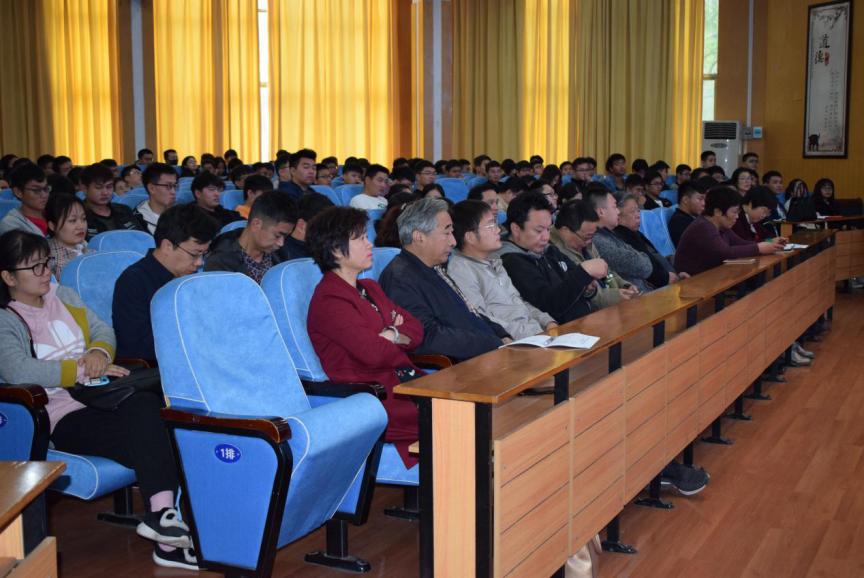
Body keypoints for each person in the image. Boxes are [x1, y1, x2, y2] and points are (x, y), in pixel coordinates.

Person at [0, 230, 198, 570]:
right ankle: (168, 535)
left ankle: (164, 521)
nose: (46, 272)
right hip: (61, 415)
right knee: (155, 431)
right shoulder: (6, 319)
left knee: (150, 410)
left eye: (47, 263)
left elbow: (103, 331)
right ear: (8, 277)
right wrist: (78, 370)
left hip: (102, 397)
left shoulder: (63, 296)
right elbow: (18, 370)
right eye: (35, 267)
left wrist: (98, 353)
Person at [306, 206, 424, 467]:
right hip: (376, 397)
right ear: (336, 249)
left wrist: (391, 333)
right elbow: (374, 353)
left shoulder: (369, 287)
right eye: (360, 238)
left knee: (472, 409)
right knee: (464, 417)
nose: (369, 243)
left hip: (404, 382)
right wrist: (396, 336)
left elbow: (416, 329)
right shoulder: (329, 300)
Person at [379, 198, 509, 361]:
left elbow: (469, 312)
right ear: (419, 237)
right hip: (463, 365)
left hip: (486, 352)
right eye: (446, 233)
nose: (453, 242)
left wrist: (501, 334)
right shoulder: (400, 279)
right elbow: (427, 336)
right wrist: (490, 342)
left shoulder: (434, 267)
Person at [113, 204, 219, 364]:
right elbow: (136, 346)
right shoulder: (133, 282)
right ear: (167, 246)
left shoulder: (191, 278)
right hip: (158, 367)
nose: (200, 262)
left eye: (204, 254)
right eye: (195, 254)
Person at [448, 200, 557, 340]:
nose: (498, 230)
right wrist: (532, 333)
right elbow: (482, 320)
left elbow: (518, 302)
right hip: (515, 342)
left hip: (534, 334)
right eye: (491, 225)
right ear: (470, 237)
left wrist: (546, 321)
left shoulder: (494, 261)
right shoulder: (461, 271)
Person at [497, 192, 604, 324]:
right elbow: (550, 305)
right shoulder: (511, 262)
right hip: (562, 330)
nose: (546, 237)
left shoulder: (549, 249)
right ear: (516, 229)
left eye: (548, 229)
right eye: (538, 230)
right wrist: (583, 273)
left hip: (586, 319)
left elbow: (576, 280)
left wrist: (588, 288)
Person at [674, 186, 784, 276]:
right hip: (694, 280)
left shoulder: (722, 225)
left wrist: (769, 244)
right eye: (734, 212)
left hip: (712, 274)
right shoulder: (703, 226)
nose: (737, 217)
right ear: (718, 212)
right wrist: (759, 248)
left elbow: (740, 243)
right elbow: (725, 252)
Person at [550, 200, 638, 311]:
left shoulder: (586, 240)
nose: (589, 242)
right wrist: (616, 297)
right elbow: (584, 293)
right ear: (565, 230)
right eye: (586, 237)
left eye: (592, 236)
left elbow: (607, 271)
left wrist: (624, 285)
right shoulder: (552, 252)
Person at [205, 191, 296, 282]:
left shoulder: (280, 255)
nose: (281, 243)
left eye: (285, 237)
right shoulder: (220, 262)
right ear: (256, 224)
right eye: (277, 235)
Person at [587, 189, 663, 293]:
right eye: (614, 207)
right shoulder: (598, 240)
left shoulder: (610, 234)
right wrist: (642, 257)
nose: (618, 212)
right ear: (601, 212)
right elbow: (643, 266)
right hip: (633, 297)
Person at [614, 194, 684, 289]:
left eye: (638, 210)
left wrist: (675, 273)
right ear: (617, 214)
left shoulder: (635, 233)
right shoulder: (622, 237)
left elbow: (653, 257)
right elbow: (647, 270)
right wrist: (668, 277)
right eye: (632, 211)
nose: (638, 215)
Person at [81, 163, 145, 238]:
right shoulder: (79, 216)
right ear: (85, 189)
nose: (105, 192)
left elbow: (143, 238)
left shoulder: (124, 210)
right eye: (98, 188)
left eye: (109, 187)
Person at [278, 191, 334, 261]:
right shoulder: (285, 256)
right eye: (323, 227)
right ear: (302, 225)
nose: (329, 233)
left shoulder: (322, 248)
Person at [45, 194, 88, 279]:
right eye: (72, 220)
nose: (81, 226)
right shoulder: (50, 259)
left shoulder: (87, 247)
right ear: (52, 226)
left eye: (83, 219)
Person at [0, 164, 50, 236]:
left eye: (46, 189)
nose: (44, 195)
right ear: (18, 192)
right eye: (36, 190)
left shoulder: (54, 213)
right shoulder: (11, 225)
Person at [133, 163, 177, 235]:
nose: (173, 192)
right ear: (152, 188)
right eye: (168, 186)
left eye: (175, 186)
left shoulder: (180, 213)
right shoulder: (138, 220)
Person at [668, 182, 706, 247]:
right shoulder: (679, 222)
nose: (704, 203)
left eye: (704, 199)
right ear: (685, 200)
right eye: (700, 199)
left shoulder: (690, 219)